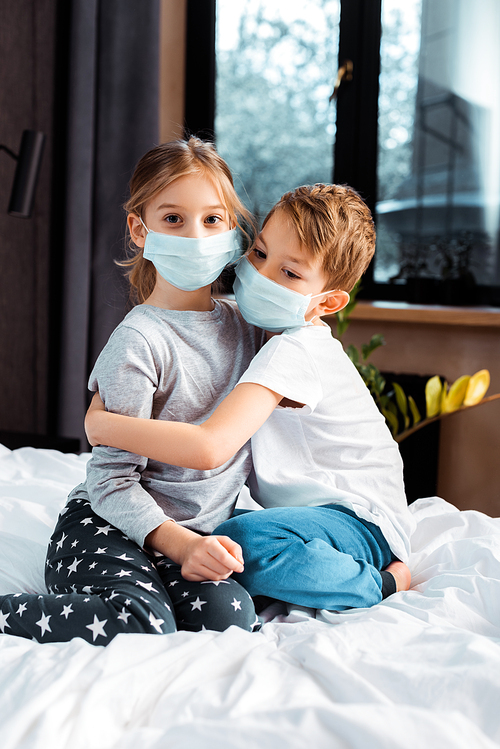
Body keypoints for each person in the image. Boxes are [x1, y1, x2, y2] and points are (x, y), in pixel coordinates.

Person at [84, 183, 414, 614]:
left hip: (361, 521)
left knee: (242, 541)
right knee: (227, 544)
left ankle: (380, 583)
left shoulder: (295, 349)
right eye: (259, 253)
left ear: (327, 302)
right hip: (316, 521)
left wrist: (102, 424)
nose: (261, 275)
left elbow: (210, 448)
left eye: (290, 273)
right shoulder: (260, 329)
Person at [0, 137, 265, 645]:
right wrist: (180, 545)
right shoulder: (139, 341)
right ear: (139, 230)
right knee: (143, 621)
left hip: (193, 535)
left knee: (230, 617)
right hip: (108, 524)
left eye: (213, 219)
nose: (195, 234)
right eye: (173, 219)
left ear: (233, 230)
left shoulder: (250, 331)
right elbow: (110, 481)